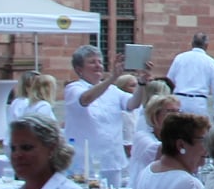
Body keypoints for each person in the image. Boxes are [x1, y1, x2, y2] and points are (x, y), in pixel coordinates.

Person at [62, 44, 149, 181]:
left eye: (100, 62)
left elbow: (133, 104)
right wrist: (112, 78)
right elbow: (86, 98)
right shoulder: (73, 88)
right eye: (92, 62)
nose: (98, 66)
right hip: (85, 163)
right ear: (79, 69)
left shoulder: (113, 90)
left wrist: (142, 83)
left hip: (112, 160)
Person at [166, 32, 214, 116]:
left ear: (192, 44)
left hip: (179, 100)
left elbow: (169, 79)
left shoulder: (180, 58)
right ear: (206, 45)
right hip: (198, 103)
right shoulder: (211, 62)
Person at [129, 94, 180, 177]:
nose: (177, 116)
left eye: (178, 111)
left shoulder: (175, 137)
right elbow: (161, 152)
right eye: (170, 111)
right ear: (155, 115)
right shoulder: (141, 137)